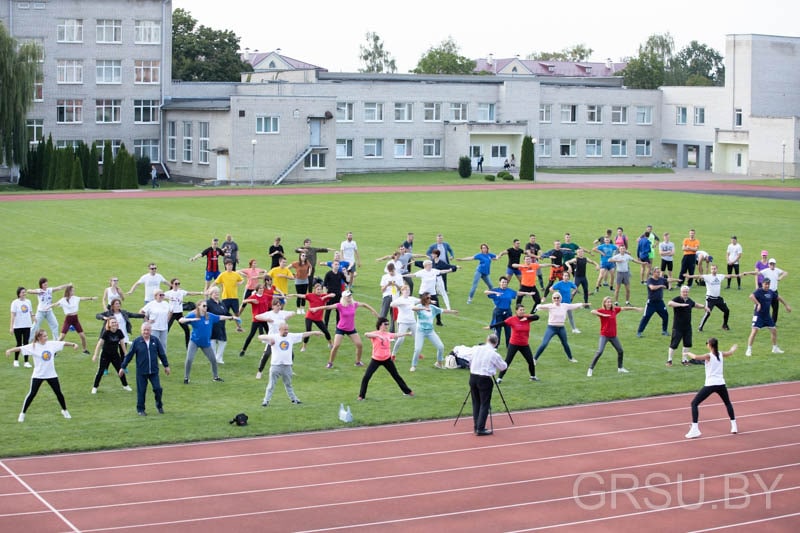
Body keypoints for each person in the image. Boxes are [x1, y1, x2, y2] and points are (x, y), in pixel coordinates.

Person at [6, 329, 78, 422]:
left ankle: (65, 411)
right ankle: (22, 413)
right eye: (44, 336)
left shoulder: (51, 344)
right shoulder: (33, 347)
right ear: (39, 338)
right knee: (32, 394)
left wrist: (73, 344)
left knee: (59, 393)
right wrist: (10, 350)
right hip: (38, 375)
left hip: (51, 374)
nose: (46, 337)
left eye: (46, 335)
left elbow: (63, 343)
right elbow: (20, 348)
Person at [684, 338, 739, 439]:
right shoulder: (721, 354)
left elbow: (696, 357)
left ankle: (695, 428)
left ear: (709, 345)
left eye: (707, 344)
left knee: (694, 403)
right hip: (721, 384)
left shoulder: (709, 356)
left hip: (710, 384)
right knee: (727, 403)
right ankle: (734, 426)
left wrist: (687, 353)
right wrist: (733, 348)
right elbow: (730, 353)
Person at [259, 323, 322, 406]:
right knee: (271, 384)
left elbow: (303, 334)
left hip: (287, 366)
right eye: (285, 330)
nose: (287, 331)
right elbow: (260, 337)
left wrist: (314, 332)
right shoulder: (274, 337)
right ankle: (266, 401)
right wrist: (269, 338)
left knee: (288, 384)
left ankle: (294, 399)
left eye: (287, 329)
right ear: (280, 329)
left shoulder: (291, 336)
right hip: (275, 365)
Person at [311, 290, 378, 368]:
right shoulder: (340, 305)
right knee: (336, 345)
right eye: (348, 296)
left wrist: (373, 311)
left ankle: (358, 362)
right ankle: (330, 363)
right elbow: (328, 307)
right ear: (344, 297)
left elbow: (364, 304)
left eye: (350, 296)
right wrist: (316, 309)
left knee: (359, 345)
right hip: (341, 329)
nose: (349, 297)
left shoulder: (354, 304)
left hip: (351, 329)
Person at [119, 323, 171, 416]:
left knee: (158, 388)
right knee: (141, 391)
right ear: (141, 330)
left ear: (151, 331)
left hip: (154, 371)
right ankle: (140, 409)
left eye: (148, 330)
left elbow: (161, 354)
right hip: (141, 372)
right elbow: (129, 355)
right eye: (144, 330)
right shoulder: (137, 342)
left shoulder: (155, 340)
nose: (146, 332)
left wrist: (166, 366)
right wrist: (123, 367)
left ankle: (159, 405)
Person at [179, 300, 235, 384]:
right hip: (194, 341)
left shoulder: (209, 316)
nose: (206, 307)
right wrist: (193, 319)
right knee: (189, 359)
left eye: (206, 306)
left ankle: (215, 377)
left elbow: (220, 317)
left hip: (205, 343)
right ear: (199, 307)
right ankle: (186, 378)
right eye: (204, 306)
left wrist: (231, 317)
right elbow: (181, 320)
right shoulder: (193, 315)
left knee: (213, 360)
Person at [358, 317, 414, 401]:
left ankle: (407, 391)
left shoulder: (388, 334)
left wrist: (407, 334)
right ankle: (361, 396)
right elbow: (366, 334)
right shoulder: (375, 334)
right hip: (375, 360)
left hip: (387, 359)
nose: (387, 326)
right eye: (386, 324)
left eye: (388, 324)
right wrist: (378, 336)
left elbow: (396, 334)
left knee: (396, 376)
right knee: (366, 377)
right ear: (380, 325)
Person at [587, 297, 642, 376]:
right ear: (604, 303)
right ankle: (590, 369)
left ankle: (620, 368)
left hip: (613, 336)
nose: (609, 303)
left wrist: (635, 308)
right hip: (604, 335)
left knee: (620, 351)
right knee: (599, 352)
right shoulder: (602, 310)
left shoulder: (614, 310)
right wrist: (602, 314)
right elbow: (592, 311)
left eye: (610, 302)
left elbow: (624, 308)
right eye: (607, 302)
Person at [469, 334, 508, 436]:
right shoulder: (494, 354)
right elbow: (503, 367)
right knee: (484, 404)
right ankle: (480, 428)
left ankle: (476, 425)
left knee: (476, 402)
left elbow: (469, 359)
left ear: (487, 340)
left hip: (473, 377)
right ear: (496, 343)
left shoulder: (476, 349)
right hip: (485, 379)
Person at [410, 292, 458, 371]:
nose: (430, 299)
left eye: (430, 298)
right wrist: (423, 308)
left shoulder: (433, 308)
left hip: (430, 331)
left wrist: (453, 311)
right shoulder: (419, 307)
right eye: (428, 298)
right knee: (417, 349)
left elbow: (443, 310)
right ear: (424, 299)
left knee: (440, 347)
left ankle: (439, 363)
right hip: (420, 331)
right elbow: (413, 308)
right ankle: (413, 365)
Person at [491, 304, 540, 383]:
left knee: (530, 361)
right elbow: (502, 323)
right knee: (508, 361)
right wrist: (491, 326)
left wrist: (526, 317)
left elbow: (537, 317)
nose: (522, 311)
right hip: (514, 344)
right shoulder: (512, 319)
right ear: (516, 311)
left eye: (523, 310)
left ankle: (533, 376)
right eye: (520, 310)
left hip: (524, 344)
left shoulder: (527, 318)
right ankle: (499, 378)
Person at [533, 292, 586, 364]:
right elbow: (539, 306)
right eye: (554, 298)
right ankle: (535, 359)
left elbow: (573, 306)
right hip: (551, 328)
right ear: (552, 299)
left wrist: (582, 304)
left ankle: (570, 358)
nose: (556, 299)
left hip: (561, 328)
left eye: (558, 298)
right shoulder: (550, 306)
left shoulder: (564, 306)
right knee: (544, 343)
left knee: (565, 343)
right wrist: (538, 307)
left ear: (560, 298)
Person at [684, 264, 739, 332]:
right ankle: (700, 327)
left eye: (715, 269)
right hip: (710, 299)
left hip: (718, 298)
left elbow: (729, 276)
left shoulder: (720, 276)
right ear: (710, 270)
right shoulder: (707, 277)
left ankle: (725, 325)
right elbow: (698, 276)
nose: (713, 270)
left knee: (727, 311)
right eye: (712, 269)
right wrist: (689, 276)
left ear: (717, 269)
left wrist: (738, 275)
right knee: (708, 312)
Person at [745, 278, 791, 356]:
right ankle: (749, 349)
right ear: (762, 284)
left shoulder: (770, 292)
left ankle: (775, 348)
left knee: (774, 331)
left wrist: (786, 305)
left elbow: (778, 297)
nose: (767, 286)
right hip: (758, 315)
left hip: (767, 316)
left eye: (768, 284)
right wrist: (758, 304)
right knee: (754, 332)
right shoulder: (759, 291)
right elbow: (751, 296)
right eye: (766, 284)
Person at [666, 286, 708, 367]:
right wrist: (681, 305)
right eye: (684, 292)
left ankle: (684, 360)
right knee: (674, 344)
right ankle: (669, 360)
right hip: (677, 326)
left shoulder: (689, 300)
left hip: (687, 327)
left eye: (686, 292)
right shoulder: (677, 299)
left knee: (687, 344)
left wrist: (704, 307)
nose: (685, 293)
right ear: (681, 292)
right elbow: (670, 303)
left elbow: (695, 304)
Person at [254, 299, 296, 378]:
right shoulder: (269, 314)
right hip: (272, 338)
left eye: (279, 305)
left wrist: (287, 317)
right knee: (267, 354)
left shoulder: (282, 313)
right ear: (273, 306)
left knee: (291, 354)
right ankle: (260, 371)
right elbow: (257, 316)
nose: (279, 307)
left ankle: (289, 370)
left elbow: (293, 312)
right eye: (277, 305)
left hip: (283, 338)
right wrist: (267, 319)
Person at [50, 284, 97, 354]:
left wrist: (91, 298)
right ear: (68, 291)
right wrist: (47, 307)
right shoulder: (63, 300)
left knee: (82, 336)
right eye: (72, 291)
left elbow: (82, 298)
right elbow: (55, 304)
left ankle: (84, 350)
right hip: (68, 319)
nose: (73, 292)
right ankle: (54, 351)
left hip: (75, 319)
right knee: (61, 337)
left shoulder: (75, 298)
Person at [91, 318, 132, 394]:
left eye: (115, 322)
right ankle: (95, 387)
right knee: (101, 371)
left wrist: (126, 353)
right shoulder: (106, 333)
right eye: (112, 323)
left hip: (115, 355)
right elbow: (99, 344)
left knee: (120, 370)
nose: (114, 324)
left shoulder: (119, 332)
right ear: (109, 324)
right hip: (105, 355)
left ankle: (125, 385)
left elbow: (122, 343)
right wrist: (95, 355)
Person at [636, 267, 677, 338]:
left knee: (665, 316)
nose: (659, 273)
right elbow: (652, 287)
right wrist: (661, 286)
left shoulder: (661, 279)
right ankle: (639, 332)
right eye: (657, 272)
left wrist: (677, 280)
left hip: (660, 302)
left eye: (659, 272)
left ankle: (664, 331)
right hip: (651, 303)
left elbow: (668, 279)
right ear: (653, 273)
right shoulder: (650, 280)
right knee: (646, 317)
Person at [165, 278, 204, 348]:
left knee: (187, 329)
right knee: (166, 330)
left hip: (179, 314)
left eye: (178, 284)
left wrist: (201, 293)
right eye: (176, 284)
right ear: (172, 284)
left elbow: (190, 293)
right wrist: (168, 298)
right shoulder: (169, 293)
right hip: (172, 314)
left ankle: (188, 346)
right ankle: (161, 345)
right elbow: (160, 295)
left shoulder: (181, 292)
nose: (177, 285)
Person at [295, 282, 334, 352]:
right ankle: (304, 347)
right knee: (308, 331)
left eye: (320, 289)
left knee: (326, 331)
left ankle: (330, 344)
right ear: (314, 290)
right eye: (317, 289)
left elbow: (333, 295)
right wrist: (294, 294)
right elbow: (302, 296)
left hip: (318, 318)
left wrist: (324, 297)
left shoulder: (323, 296)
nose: (319, 291)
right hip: (309, 316)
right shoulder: (311, 295)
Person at [390, 284, 420, 358]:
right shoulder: (400, 299)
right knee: (401, 339)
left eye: (408, 290)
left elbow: (421, 300)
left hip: (412, 321)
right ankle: (393, 354)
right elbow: (392, 304)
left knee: (417, 337)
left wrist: (430, 301)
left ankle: (417, 353)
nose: (407, 291)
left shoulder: (412, 299)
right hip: (403, 322)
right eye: (405, 290)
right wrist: (400, 303)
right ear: (402, 291)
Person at [10, 287, 35, 368]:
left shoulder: (28, 302)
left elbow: (31, 312)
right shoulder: (15, 303)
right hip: (18, 326)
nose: (24, 294)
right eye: (23, 292)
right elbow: (13, 315)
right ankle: (16, 360)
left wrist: (33, 317)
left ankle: (26, 361)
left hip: (27, 325)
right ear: (19, 294)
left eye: (25, 292)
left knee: (26, 343)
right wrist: (11, 327)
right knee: (19, 343)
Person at [140, 290, 171, 354]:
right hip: (154, 327)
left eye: (163, 295)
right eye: (160, 295)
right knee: (153, 343)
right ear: (155, 296)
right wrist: (147, 321)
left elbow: (171, 311)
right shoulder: (151, 304)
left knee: (163, 344)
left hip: (164, 327)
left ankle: (162, 358)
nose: (162, 296)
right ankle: (152, 356)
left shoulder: (166, 303)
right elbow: (141, 312)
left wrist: (168, 319)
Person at [214, 260, 245, 324]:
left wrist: (240, 283)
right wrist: (209, 289)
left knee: (237, 313)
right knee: (224, 313)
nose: (230, 266)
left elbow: (242, 280)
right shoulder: (222, 275)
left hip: (234, 297)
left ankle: (238, 327)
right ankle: (222, 326)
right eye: (228, 265)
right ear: (226, 266)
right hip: (225, 297)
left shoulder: (235, 274)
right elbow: (215, 282)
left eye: (231, 265)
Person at [380, 263, 404, 330]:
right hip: (387, 296)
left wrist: (395, 284)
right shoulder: (384, 277)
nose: (391, 273)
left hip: (396, 297)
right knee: (383, 314)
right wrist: (387, 284)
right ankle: (380, 329)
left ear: (394, 269)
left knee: (394, 315)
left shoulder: (399, 276)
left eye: (392, 271)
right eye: (389, 271)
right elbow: (382, 290)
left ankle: (392, 331)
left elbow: (401, 289)